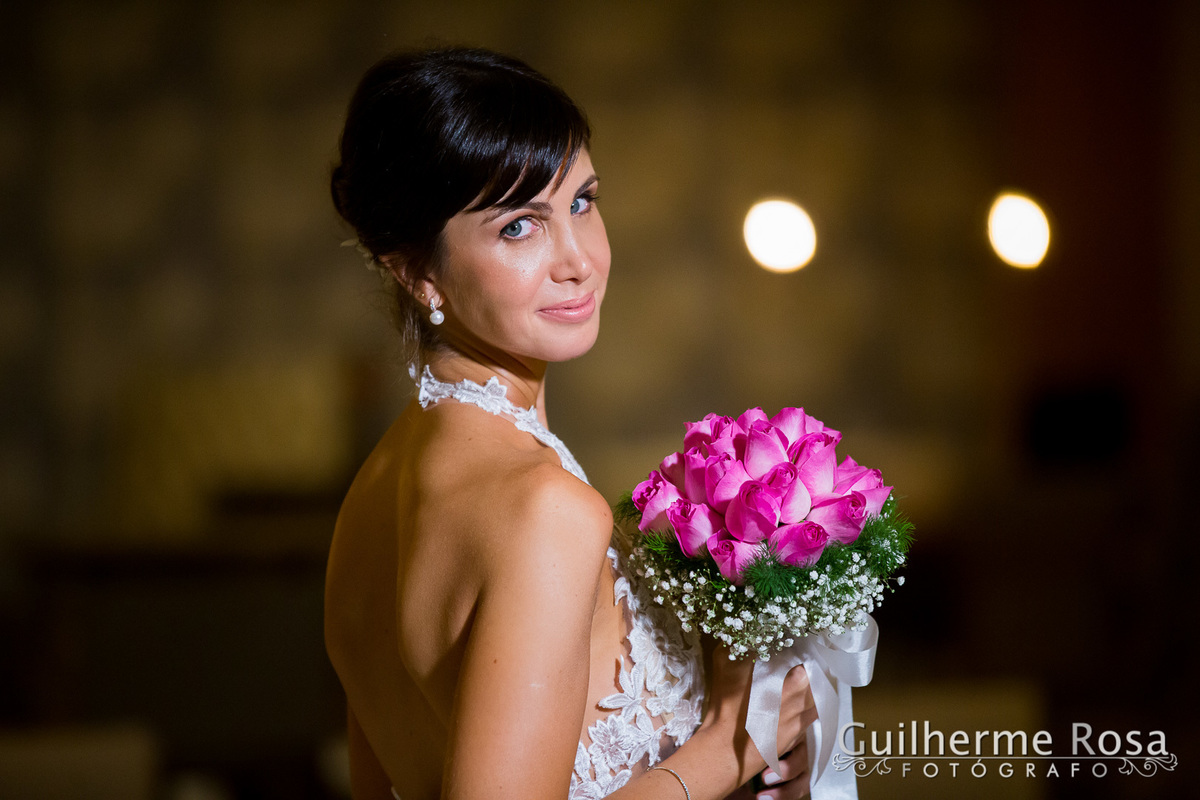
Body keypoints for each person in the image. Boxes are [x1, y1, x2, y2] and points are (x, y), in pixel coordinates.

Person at [323, 47, 816, 800]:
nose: (578, 260)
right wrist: (728, 745)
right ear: (416, 272)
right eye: (519, 226)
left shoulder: (364, 505)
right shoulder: (544, 510)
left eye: (581, 202)